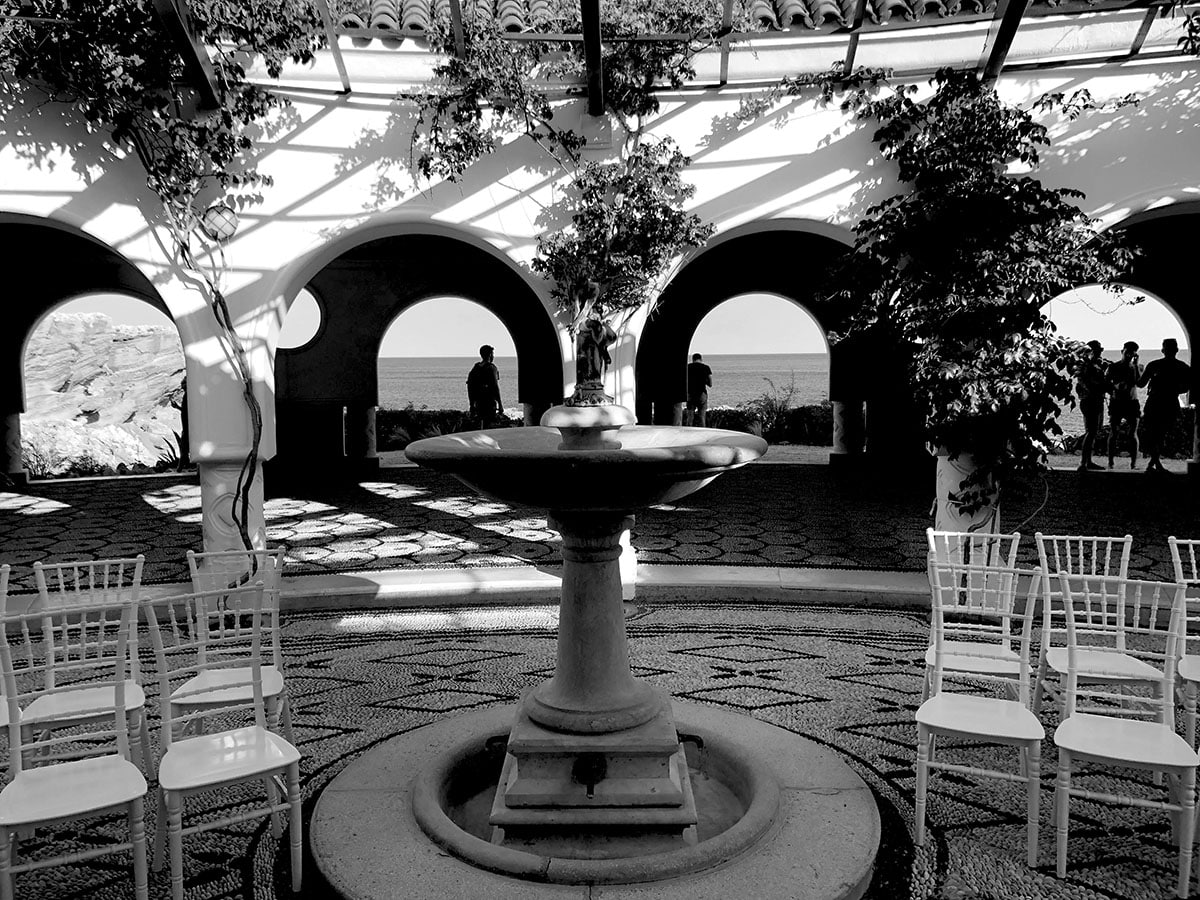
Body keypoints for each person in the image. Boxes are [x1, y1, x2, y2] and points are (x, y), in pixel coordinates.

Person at [1137, 337, 1191, 474]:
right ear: (1177, 350)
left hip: (1154, 403)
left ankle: (1153, 463)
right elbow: (1186, 387)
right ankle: (1154, 463)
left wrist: (1137, 368)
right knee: (1161, 434)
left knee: (1154, 433)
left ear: (1162, 350)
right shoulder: (1183, 367)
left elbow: (1140, 384)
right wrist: (1173, 389)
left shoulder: (1153, 365)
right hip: (1170, 403)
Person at [1106, 340, 1142, 469]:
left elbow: (1139, 383)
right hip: (1117, 402)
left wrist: (1135, 365)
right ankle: (1110, 462)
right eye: (1127, 352)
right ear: (1122, 351)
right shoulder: (1113, 367)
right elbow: (1106, 383)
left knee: (1132, 433)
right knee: (1114, 432)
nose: (1128, 355)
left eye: (1131, 353)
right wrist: (1115, 386)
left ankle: (1133, 463)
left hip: (1132, 402)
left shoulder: (1137, 367)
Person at [1075, 339, 1108, 471]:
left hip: (1096, 400)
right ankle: (1084, 462)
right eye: (1097, 350)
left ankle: (1088, 461)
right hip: (1090, 401)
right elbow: (1087, 385)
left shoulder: (1095, 365)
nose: (1100, 353)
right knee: (1091, 431)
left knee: (1093, 432)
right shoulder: (1086, 366)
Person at [466, 344, 502, 427]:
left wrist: (471, 404)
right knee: (489, 425)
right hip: (489, 403)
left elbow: (470, 387)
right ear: (490, 355)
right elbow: (495, 387)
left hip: (478, 403)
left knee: (481, 425)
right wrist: (500, 404)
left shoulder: (475, 368)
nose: (493, 356)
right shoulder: (491, 368)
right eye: (492, 354)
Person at [684, 352, 712, 427]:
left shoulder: (687, 367)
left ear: (693, 359)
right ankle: (703, 431)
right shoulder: (706, 368)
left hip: (690, 394)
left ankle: (688, 431)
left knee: (690, 417)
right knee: (702, 417)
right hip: (702, 394)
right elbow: (710, 383)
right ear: (701, 359)